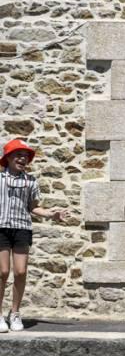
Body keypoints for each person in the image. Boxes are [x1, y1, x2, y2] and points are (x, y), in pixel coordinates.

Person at [0, 139, 66, 333]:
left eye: (26, 156)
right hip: (1, 228)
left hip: (21, 228)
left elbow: (34, 207)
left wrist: (51, 214)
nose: (23, 159)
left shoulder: (31, 181)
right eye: (18, 155)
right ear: (8, 157)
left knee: (20, 272)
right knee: (2, 272)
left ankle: (15, 313)